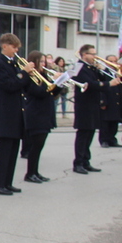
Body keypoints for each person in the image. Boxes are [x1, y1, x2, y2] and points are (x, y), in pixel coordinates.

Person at [0, 34, 31, 194]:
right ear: (5, 46)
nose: (17, 50)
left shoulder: (13, 64)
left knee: (13, 150)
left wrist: (27, 76)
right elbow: (9, 85)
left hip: (16, 112)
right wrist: (23, 74)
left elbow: (20, 86)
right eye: (14, 47)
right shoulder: (0, 64)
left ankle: (6, 182)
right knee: (4, 151)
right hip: (6, 113)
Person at [72, 45, 121, 174]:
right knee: (83, 135)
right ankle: (78, 163)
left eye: (95, 53)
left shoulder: (90, 67)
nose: (95, 56)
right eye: (92, 54)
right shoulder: (79, 67)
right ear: (84, 54)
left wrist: (101, 70)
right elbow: (89, 84)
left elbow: (100, 79)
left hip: (93, 105)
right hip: (84, 106)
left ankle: (86, 161)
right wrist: (108, 84)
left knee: (90, 134)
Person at [23, 51, 61, 183]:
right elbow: (38, 92)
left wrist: (59, 83)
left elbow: (53, 92)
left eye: (45, 61)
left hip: (45, 113)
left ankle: (35, 172)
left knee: (40, 146)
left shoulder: (44, 75)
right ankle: (30, 173)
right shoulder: (30, 76)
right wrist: (53, 82)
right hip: (35, 114)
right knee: (35, 145)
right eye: (42, 61)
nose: (44, 64)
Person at [99, 54, 122, 147]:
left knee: (114, 121)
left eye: (115, 61)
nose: (113, 64)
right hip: (108, 99)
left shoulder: (118, 73)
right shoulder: (103, 73)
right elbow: (101, 88)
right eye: (111, 61)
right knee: (105, 122)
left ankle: (112, 139)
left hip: (117, 100)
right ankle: (104, 140)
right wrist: (103, 101)